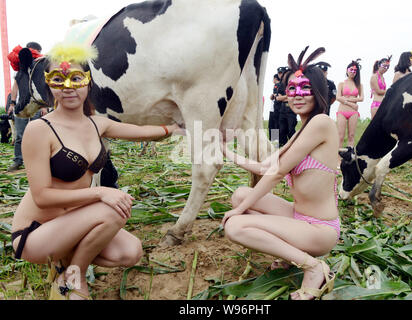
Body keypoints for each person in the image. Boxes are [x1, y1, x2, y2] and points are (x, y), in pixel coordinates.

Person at [11, 42, 181, 300]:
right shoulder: (39, 130)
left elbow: (144, 132)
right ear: (49, 84)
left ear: (88, 82)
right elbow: (42, 196)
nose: (68, 87)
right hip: (36, 234)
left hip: (73, 224)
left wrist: (178, 128)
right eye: (58, 79)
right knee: (113, 207)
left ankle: (65, 264)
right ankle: (74, 279)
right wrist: (100, 193)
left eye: (76, 78)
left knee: (130, 252)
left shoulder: (97, 124)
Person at [221, 47, 339, 300]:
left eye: (304, 88)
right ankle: (288, 255)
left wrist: (239, 212)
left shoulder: (321, 123)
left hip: (319, 230)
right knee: (241, 194)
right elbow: (266, 167)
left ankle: (313, 267)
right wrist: (224, 151)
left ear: (319, 92)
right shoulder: (303, 128)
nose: (296, 95)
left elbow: (275, 174)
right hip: (300, 217)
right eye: (291, 89)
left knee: (235, 226)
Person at [7, 42, 48, 172]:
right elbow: (15, 87)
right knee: (20, 135)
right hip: (22, 106)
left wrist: (44, 107)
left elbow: (44, 88)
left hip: (37, 105)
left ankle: (38, 161)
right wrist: (12, 103)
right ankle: (18, 160)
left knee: (38, 134)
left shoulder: (40, 69)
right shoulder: (21, 68)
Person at [336, 60, 364, 149]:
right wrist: (351, 103)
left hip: (353, 113)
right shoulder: (341, 84)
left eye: (355, 71)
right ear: (347, 70)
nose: (352, 72)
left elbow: (361, 98)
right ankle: (338, 157)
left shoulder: (359, 85)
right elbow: (338, 97)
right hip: (342, 111)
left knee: (351, 136)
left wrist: (348, 99)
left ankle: (349, 157)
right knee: (340, 135)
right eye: (351, 70)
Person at [277, 69, 298, 147]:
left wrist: (285, 97)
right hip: (281, 109)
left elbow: (294, 95)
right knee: (281, 129)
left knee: (291, 129)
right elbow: (278, 98)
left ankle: (294, 145)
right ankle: (283, 145)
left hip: (291, 109)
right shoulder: (281, 85)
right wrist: (288, 96)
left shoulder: (293, 84)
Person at [268, 74, 281, 142]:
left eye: (273, 78)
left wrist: (273, 95)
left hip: (276, 109)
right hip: (273, 108)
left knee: (274, 125)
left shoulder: (278, 85)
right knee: (272, 125)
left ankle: (274, 140)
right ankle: (273, 140)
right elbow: (272, 97)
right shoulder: (275, 86)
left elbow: (276, 96)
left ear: (275, 78)